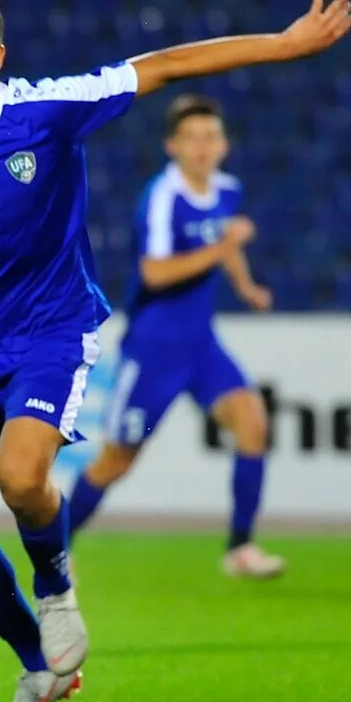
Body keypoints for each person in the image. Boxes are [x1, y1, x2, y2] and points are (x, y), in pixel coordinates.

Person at [0, 0, 351, 702]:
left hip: (54, 329)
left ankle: (56, 587)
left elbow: (167, 65)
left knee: (20, 475)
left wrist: (285, 42)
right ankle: (38, 664)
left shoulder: (49, 108)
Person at [69, 94, 283, 578]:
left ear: (224, 144)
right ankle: (57, 546)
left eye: (211, 136)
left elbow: (222, 243)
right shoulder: (163, 197)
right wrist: (225, 246)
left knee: (252, 424)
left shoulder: (227, 190)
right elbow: (156, 272)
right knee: (117, 460)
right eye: (192, 138)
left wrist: (245, 285)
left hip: (201, 344)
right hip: (155, 347)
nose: (203, 147)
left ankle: (240, 548)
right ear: (173, 146)